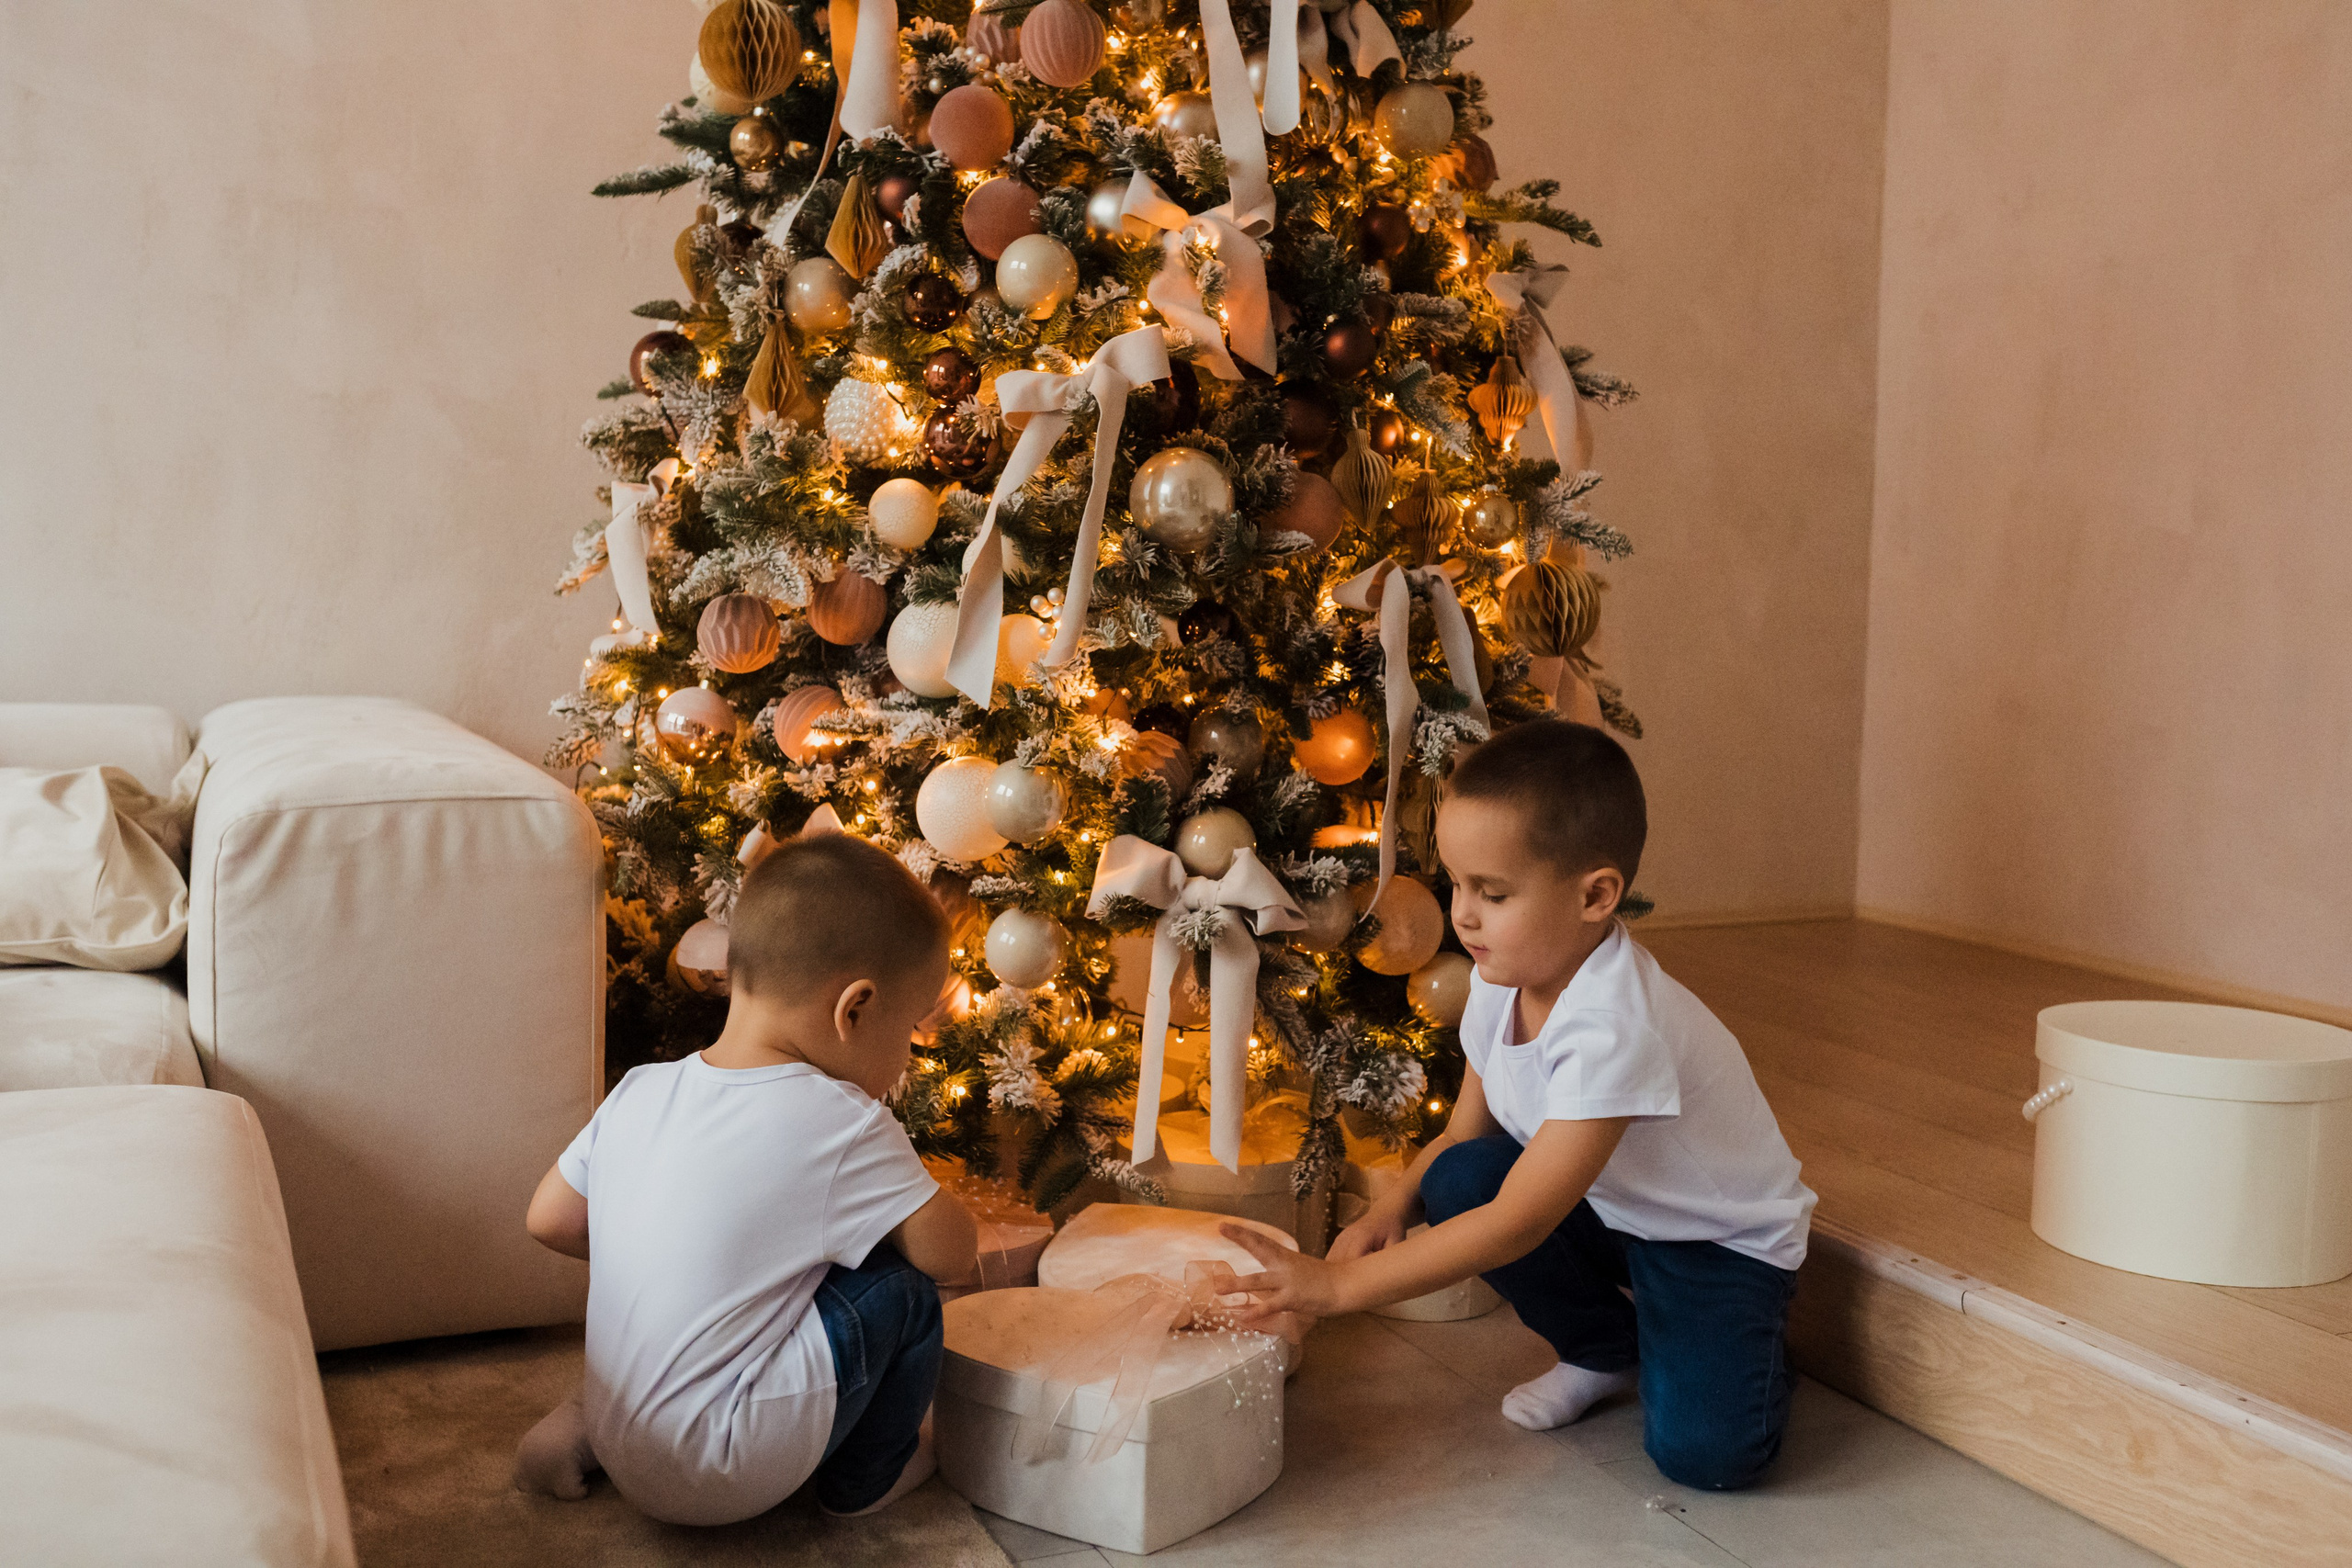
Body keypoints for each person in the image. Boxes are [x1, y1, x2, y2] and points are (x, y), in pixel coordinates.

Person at [1216, 721, 1816, 1491]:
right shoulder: (1499, 987)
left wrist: (1337, 1290)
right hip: (1613, 1212)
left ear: (1596, 895)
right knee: (1463, 1174)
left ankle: (1746, 1354)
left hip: (1713, 1242)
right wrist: (1390, 1208)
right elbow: (1468, 1134)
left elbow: (1523, 1219)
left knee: (1707, 1458)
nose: (1461, 915)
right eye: (1458, 884)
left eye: (1492, 893)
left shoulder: (1613, 1026)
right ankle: (1605, 1346)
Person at [511, 832, 978, 1524]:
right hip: (727, 1467)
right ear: (854, 1008)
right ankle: (867, 1479)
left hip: (624, 1433)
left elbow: (548, 1217)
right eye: (909, 1026)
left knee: (697, 1310)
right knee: (902, 1291)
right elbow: (951, 1255)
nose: (907, 1052)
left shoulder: (643, 1088)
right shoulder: (842, 1120)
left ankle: (588, 1430)